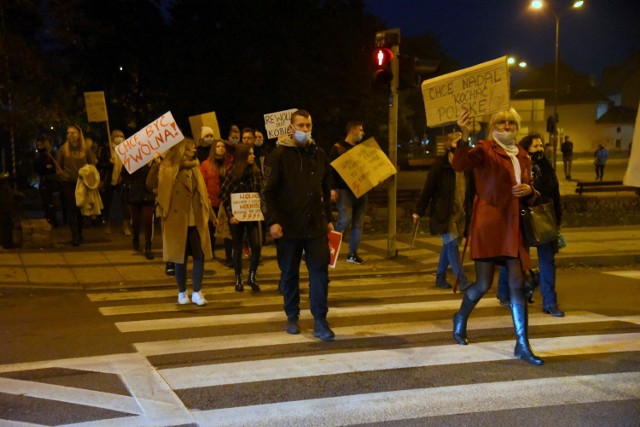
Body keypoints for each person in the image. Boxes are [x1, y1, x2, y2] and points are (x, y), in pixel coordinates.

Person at [451, 108, 544, 366]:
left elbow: (531, 191)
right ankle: (460, 317)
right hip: (489, 225)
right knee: (483, 284)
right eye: (501, 122)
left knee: (518, 284)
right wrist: (464, 134)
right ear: (493, 125)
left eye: (511, 122)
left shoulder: (522, 155)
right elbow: (460, 164)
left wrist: (530, 190)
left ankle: (522, 344)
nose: (506, 126)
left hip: (513, 227)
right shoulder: (485, 148)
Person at [264, 109, 335, 341]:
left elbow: (325, 188)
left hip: (315, 225)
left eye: (308, 125)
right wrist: (273, 222)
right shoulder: (279, 155)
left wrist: (328, 219)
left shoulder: (319, 153)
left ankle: (320, 321)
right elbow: (268, 193)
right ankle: (292, 315)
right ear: (291, 128)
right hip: (287, 226)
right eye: (301, 125)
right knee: (289, 273)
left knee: (319, 272)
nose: (305, 130)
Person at [496, 133, 564, 317]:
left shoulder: (546, 167)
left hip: (543, 219)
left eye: (541, 145)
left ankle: (549, 302)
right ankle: (504, 293)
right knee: (513, 259)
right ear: (526, 148)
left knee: (547, 261)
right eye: (536, 146)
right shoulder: (518, 164)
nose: (540, 149)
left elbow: (554, 194)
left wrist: (557, 221)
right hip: (521, 218)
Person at [147, 138, 214, 306]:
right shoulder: (168, 167)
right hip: (177, 220)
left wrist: (212, 215)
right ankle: (182, 292)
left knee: (199, 255)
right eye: (190, 148)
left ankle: (197, 292)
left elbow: (203, 193)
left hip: (195, 219)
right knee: (180, 258)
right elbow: (150, 183)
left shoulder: (195, 167)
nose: (194, 151)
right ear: (181, 150)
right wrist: (156, 165)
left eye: (193, 149)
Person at [412, 131, 475, 291]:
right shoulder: (441, 164)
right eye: (456, 142)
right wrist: (419, 210)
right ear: (449, 145)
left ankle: (440, 277)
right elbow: (428, 187)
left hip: (461, 213)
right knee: (452, 245)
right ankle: (462, 280)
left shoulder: (467, 165)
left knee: (448, 246)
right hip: (444, 213)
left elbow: (472, 189)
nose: (460, 145)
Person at [221, 144, 263, 292]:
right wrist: (230, 215)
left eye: (253, 153)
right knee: (237, 247)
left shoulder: (256, 172)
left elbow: (260, 193)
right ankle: (238, 277)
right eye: (250, 154)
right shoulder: (233, 173)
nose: (253, 156)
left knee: (256, 245)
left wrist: (260, 209)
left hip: (252, 215)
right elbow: (225, 196)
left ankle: (252, 276)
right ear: (243, 156)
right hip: (237, 217)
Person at [329, 121, 368, 264]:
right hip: (344, 191)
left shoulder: (362, 150)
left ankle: (352, 253)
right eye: (360, 130)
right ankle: (329, 251)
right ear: (352, 130)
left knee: (358, 223)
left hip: (361, 191)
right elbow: (331, 171)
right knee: (344, 221)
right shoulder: (338, 148)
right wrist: (332, 189)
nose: (362, 133)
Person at [56, 125, 96, 246]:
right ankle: (75, 236)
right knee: (72, 208)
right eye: (68, 133)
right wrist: (61, 174)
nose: (70, 135)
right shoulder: (63, 149)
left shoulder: (85, 149)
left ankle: (79, 232)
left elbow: (92, 164)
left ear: (79, 134)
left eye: (73, 133)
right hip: (69, 182)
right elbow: (58, 166)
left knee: (80, 209)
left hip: (82, 183)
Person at [200, 140, 234, 259]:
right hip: (212, 199)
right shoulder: (205, 164)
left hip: (226, 200)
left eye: (222, 146)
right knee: (211, 228)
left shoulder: (230, 163)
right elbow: (203, 183)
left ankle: (229, 257)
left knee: (227, 229)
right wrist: (206, 197)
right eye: (218, 146)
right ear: (213, 149)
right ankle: (210, 251)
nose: (220, 148)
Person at [121, 160, 157, 260]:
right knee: (136, 221)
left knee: (148, 219)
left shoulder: (152, 160)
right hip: (135, 192)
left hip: (148, 193)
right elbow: (124, 174)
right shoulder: (132, 159)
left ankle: (148, 246)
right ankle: (136, 237)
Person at [102, 129, 131, 236]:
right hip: (109, 180)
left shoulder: (127, 149)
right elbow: (101, 165)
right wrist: (109, 163)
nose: (120, 138)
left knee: (124, 203)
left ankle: (126, 226)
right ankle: (107, 225)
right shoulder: (107, 150)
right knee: (107, 203)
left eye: (122, 136)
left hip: (121, 180)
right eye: (117, 136)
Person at [33, 136, 60, 226]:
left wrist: (46, 168)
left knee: (49, 201)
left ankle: (53, 220)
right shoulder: (38, 155)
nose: (39, 146)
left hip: (49, 180)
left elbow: (51, 167)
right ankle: (50, 219)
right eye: (38, 144)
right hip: (45, 178)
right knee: (46, 201)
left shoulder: (49, 154)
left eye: (41, 144)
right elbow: (37, 168)